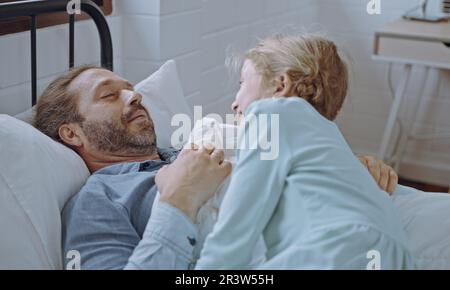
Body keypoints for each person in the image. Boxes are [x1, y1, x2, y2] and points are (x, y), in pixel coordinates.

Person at [34, 63, 399, 270]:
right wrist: (178, 202)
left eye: (131, 88)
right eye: (110, 95)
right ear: (72, 133)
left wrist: (346, 169)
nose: (135, 95)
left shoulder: (193, 145)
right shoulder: (98, 198)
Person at [196, 34, 416, 270]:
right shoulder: (328, 139)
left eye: (241, 84)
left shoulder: (271, 115)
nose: (234, 104)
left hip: (339, 245)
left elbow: (235, 231)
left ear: (280, 85)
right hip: (394, 252)